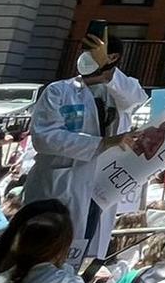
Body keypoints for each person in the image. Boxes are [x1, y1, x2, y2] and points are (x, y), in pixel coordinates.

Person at [19, 49, 142, 267]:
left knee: (82, 255)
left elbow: (134, 96)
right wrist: (103, 143)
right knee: (44, 254)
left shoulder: (120, 93)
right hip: (61, 186)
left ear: (112, 57)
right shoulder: (59, 91)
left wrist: (108, 72)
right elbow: (44, 138)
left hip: (99, 188)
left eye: (96, 51)